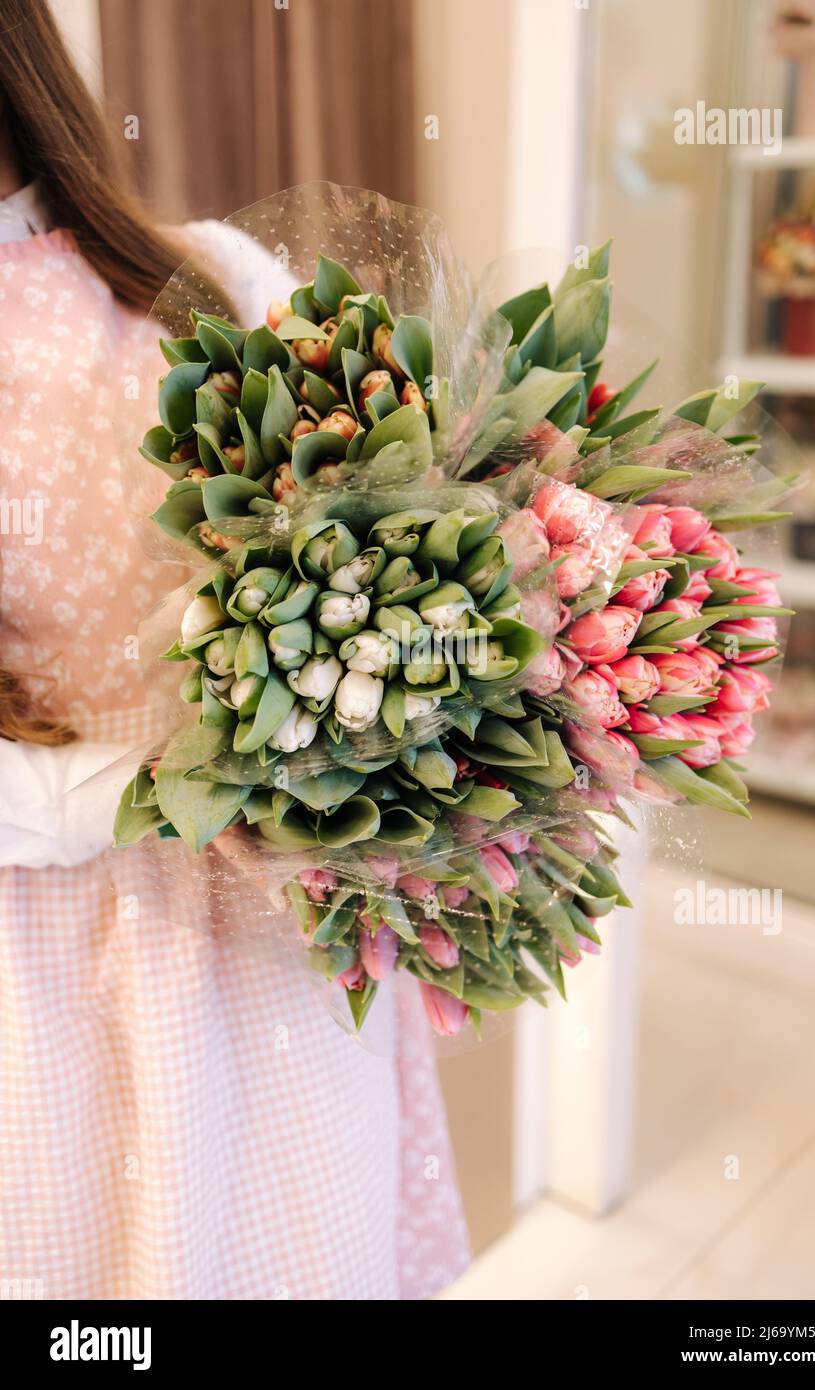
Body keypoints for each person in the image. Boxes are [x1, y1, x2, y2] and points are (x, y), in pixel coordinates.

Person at [0, 0, 468, 1300]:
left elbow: (407, 551)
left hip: (279, 937)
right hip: (52, 1000)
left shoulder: (214, 278)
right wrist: (178, 785)